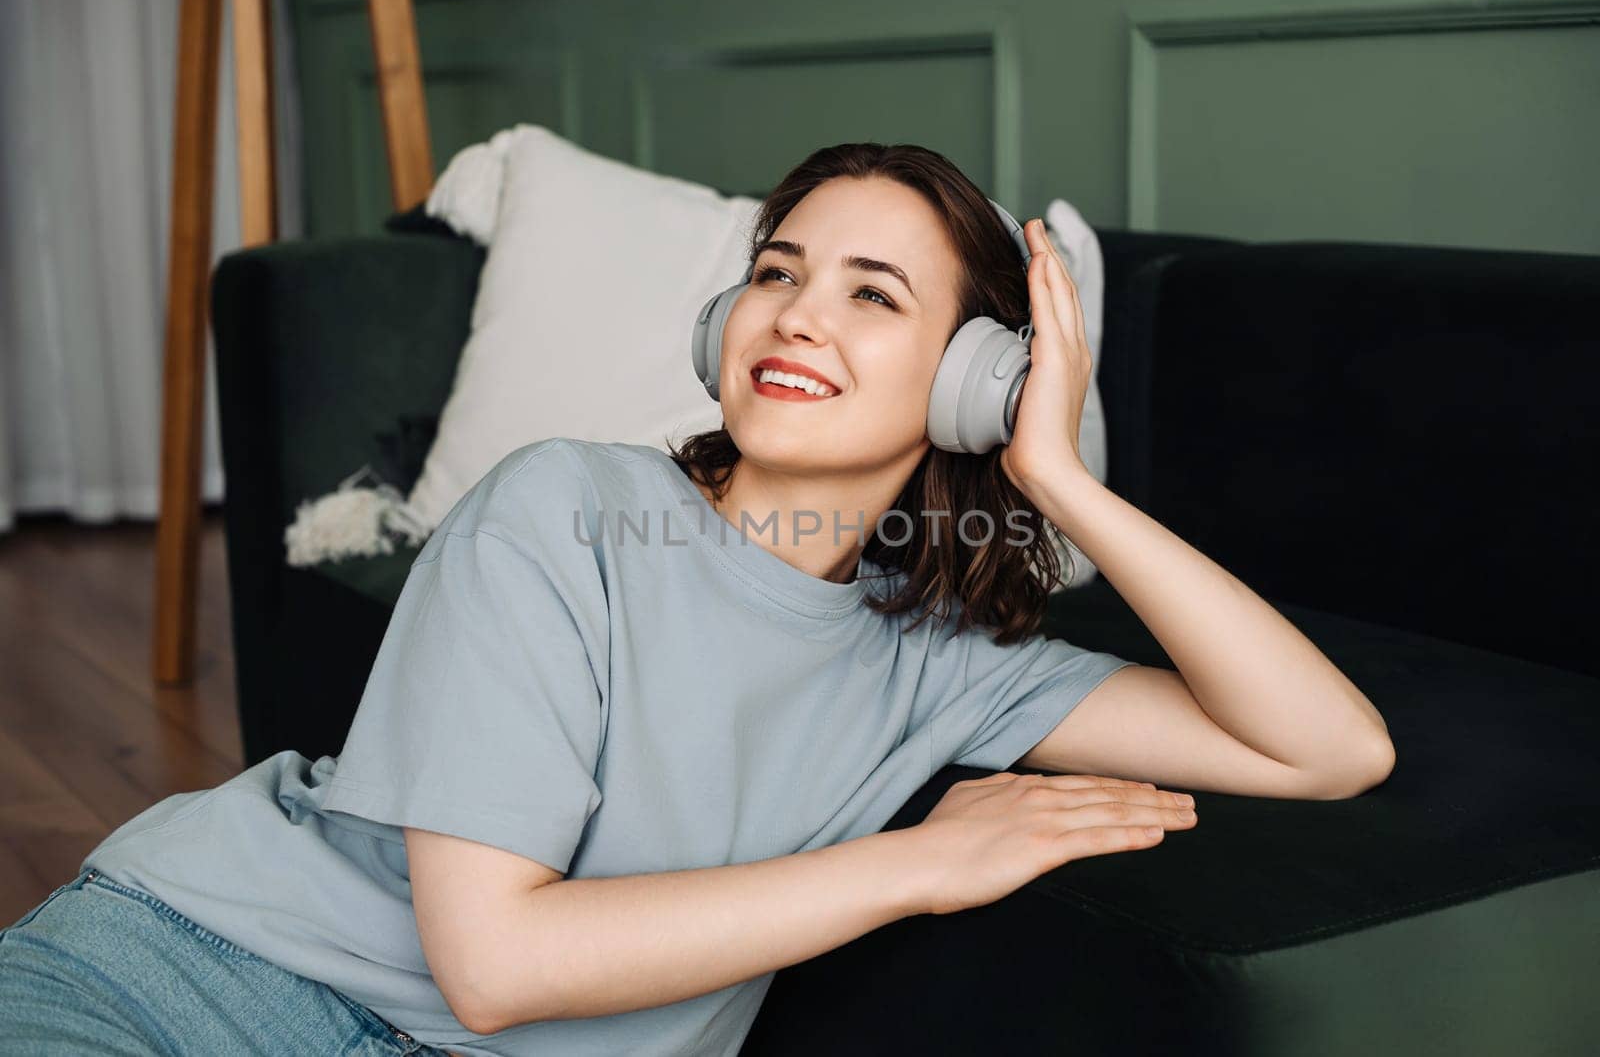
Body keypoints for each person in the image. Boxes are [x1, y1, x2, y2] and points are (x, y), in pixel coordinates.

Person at [0, 142, 1392, 1056]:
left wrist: (1063, 476)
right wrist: (917, 866)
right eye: (777, 273)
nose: (797, 314)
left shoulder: (947, 655)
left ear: (973, 377)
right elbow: (492, 964)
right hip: (201, 988)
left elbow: (1329, 749)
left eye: (871, 296)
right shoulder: (563, 511)